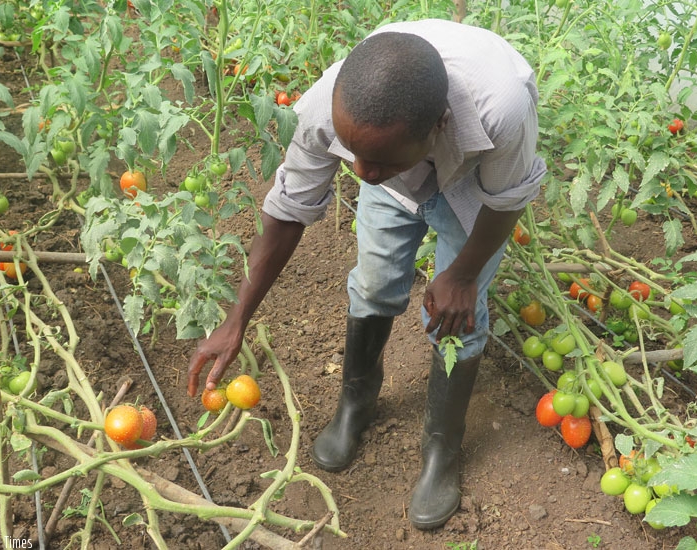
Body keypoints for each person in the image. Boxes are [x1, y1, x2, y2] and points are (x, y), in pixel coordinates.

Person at [187, 18, 547, 530]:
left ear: (439, 126)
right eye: (352, 152)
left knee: (457, 317)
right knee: (374, 282)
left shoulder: (501, 111)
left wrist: (464, 275)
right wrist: (236, 318)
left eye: (373, 159)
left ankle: (441, 446)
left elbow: (508, 198)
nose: (358, 171)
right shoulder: (330, 112)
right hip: (398, 174)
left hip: (473, 184)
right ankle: (356, 400)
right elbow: (288, 211)